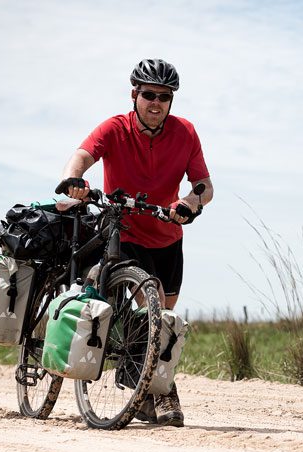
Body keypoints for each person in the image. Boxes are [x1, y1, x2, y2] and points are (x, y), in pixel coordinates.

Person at [57, 58, 213, 427]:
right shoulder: (115, 128)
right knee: (151, 298)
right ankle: (162, 392)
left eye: (164, 96)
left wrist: (189, 204)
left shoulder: (185, 132)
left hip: (167, 235)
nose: (156, 103)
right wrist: (72, 180)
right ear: (134, 94)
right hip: (124, 231)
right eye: (148, 95)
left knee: (165, 319)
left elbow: (204, 186)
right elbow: (81, 156)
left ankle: (138, 385)